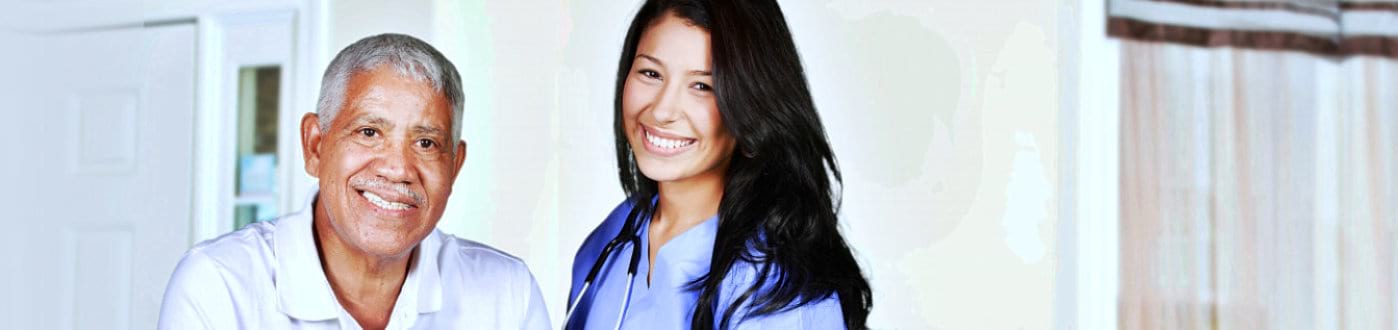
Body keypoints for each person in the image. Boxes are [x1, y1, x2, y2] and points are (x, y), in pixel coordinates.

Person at [158, 33, 550, 330]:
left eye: (426, 142)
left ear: (455, 166)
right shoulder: (218, 285)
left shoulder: (505, 294)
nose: (397, 169)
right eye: (368, 132)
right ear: (315, 145)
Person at [565, 0, 875, 329]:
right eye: (651, 73)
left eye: (702, 86)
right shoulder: (612, 238)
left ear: (752, 105)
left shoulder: (776, 288)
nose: (662, 111)